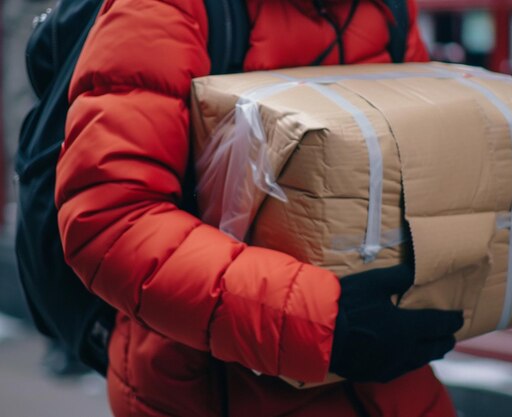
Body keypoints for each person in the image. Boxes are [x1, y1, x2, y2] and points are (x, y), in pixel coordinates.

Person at [54, 0, 464, 416]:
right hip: (208, 385)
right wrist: (317, 323)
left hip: (393, 384)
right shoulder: (166, 9)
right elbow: (113, 220)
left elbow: (414, 158)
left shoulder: (388, 8)